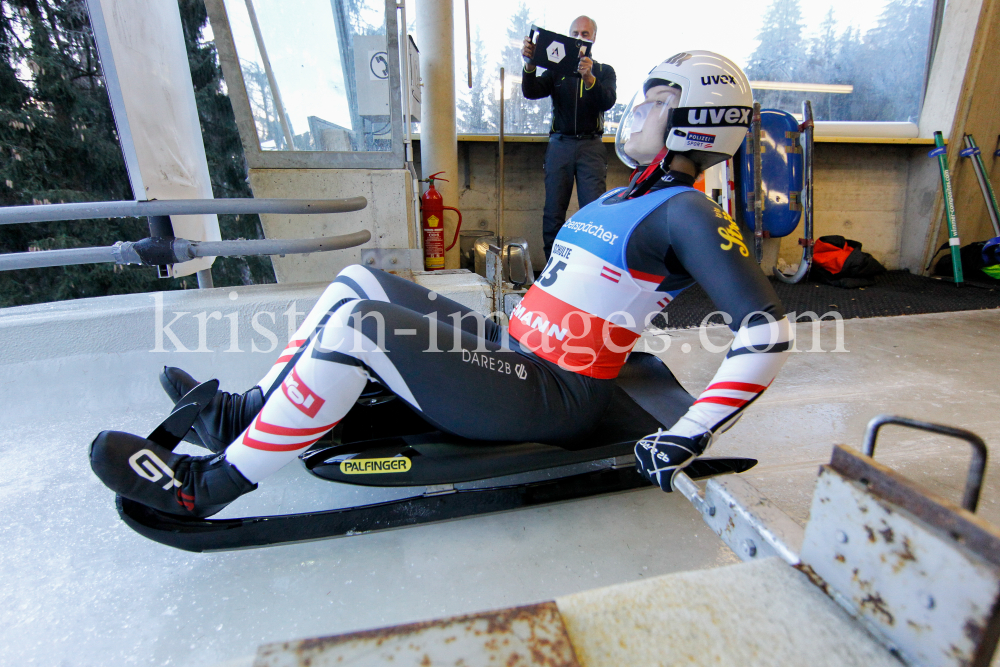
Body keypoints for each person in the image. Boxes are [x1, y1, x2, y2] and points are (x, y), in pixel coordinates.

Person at [90, 51, 791, 518]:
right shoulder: (620, 197)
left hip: (552, 390)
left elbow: (768, 330)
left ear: (700, 120)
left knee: (361, 326)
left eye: (657, 100)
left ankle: (202, 490)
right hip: (510, 350)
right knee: (358, 279)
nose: (635, 110)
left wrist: (692, 432)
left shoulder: (687, 210)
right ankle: (243, 415)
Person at [521, 16, 616, 261]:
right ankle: (553, 266)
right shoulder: (556, 71)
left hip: (591, 147)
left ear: (593, 38)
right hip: (560, 145)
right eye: (575, 32)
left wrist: (590, 78)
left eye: (585, 33)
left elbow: (608, 101)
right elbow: (531, 92)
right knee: (553, 211)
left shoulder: (605, 71)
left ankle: (591, 265)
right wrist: (529, 66)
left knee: (594, 213)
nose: (580, 37)